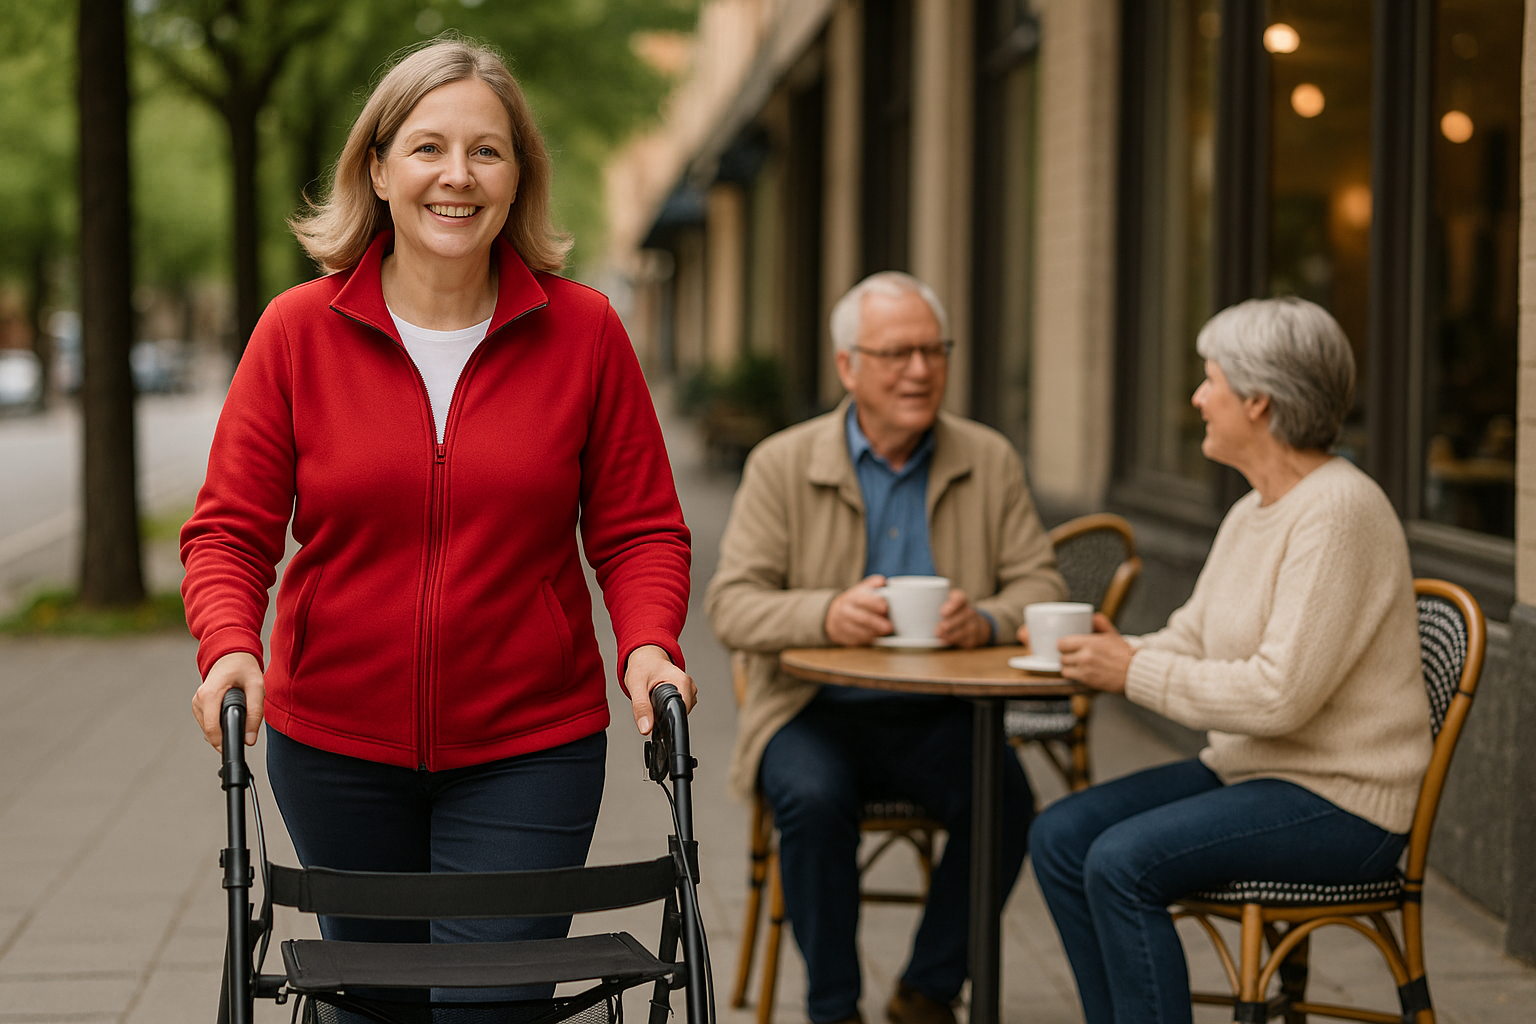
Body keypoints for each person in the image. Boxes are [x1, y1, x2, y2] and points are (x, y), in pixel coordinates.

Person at [180, 37, 694, 989]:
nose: (456, 175)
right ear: (375, 168)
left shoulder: (585, 334)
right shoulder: (296, 332)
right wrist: (230, 646)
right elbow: (230, 531)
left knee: (487, 1004)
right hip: (332, 742)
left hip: (531, 744)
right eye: (427, 147)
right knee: (370, 1000)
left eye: (487, 151)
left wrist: (649, 645)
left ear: (518, 177)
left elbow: (639, 528)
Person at [1026, 296, 1432, 1024]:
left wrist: (1131, 672)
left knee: (1122, 863)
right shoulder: (1253, 510)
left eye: (1209, 379)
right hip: (1253, 773)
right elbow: (1189, 637)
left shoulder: (1339, 511)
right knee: (1061, 837)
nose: (1197, 398)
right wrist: (1109, 652)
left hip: (1340, 803)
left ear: (1258, 401)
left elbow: (1280, 696)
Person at [705, 272, 1066, 1024]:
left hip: (942, 710)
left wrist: (988, 622)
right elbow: (732, 607)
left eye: (934, 351)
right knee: (810, 799)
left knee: (1008, 801)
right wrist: (829, 612)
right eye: (898, 353)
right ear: (848, 366)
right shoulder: (782, 463)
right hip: (812, 709)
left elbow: (1040, 586)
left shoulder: (988, 457)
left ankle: (928, 990)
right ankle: (834, 1008)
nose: (921, 370)